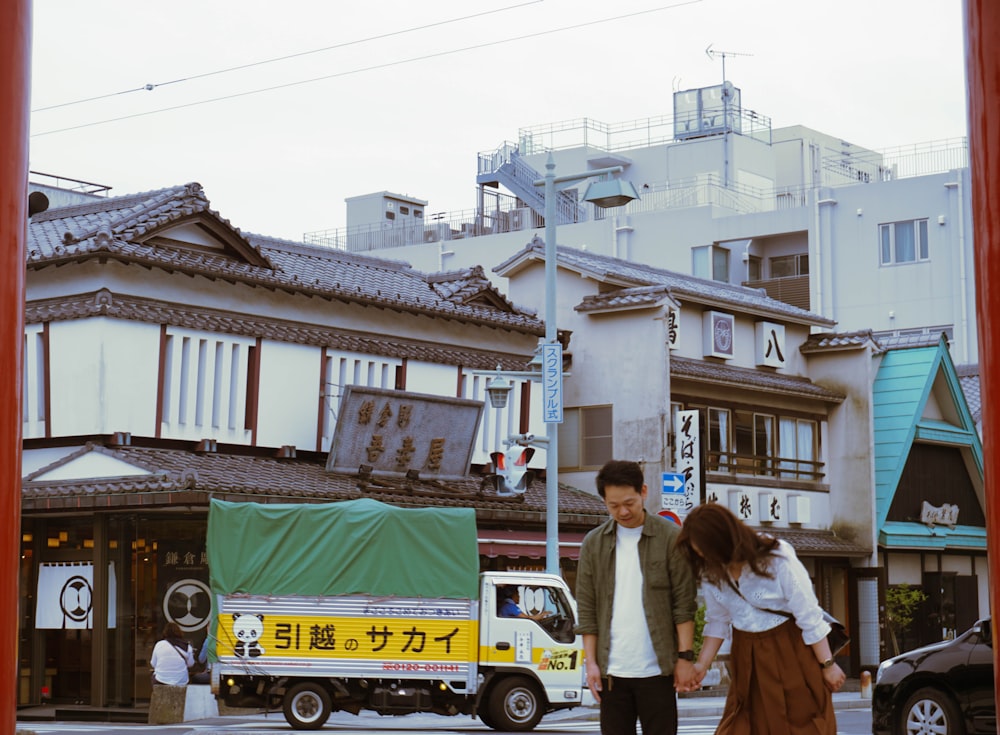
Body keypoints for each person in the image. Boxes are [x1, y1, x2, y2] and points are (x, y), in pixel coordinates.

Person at [675, 502, 847, 735]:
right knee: (742, 727)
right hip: (746, 657)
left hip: (792, 652)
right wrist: (701, 665)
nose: (704, 557)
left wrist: (828, 665)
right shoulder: (710, 570)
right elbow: (717, 620)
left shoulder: (776, 556)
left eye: (707, 551)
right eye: (700, 553)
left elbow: (808, 614)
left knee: (800, 726)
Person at [575, 459, 699, 735]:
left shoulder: (671, 538)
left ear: (643, 491)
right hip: (612, 673)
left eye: (629, 502)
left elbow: (684, 604)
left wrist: (685, 658)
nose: (622, 511)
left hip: (658, 670)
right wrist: (591, 663)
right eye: (613, 505)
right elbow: (587, 608)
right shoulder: (594, 544)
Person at [150, 621, 195, 686]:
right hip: (181, 681)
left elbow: (153, 664)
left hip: (161, 680)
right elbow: (191, 664)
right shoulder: (187, 646)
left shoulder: (159, 644)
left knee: (153, 676)